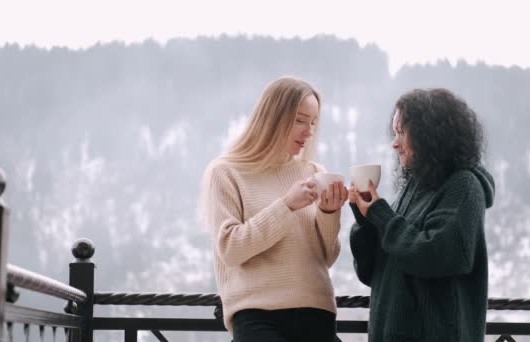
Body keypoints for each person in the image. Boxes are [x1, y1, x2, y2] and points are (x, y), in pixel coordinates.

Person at [201, 76, 347, 342]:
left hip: (317, 314)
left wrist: (329, 213)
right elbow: (231, 249)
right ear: (273, 116)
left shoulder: (315, 173)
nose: (309, 130)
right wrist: (286, 205)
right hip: (257, 316)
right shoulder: (226, 173)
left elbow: (326, 257)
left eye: (313, 122)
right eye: (300, 120)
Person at [348, 88, 495, 342]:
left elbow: (438, 255)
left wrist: (381, 216)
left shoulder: (464, 186)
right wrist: (366, 220)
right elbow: (375, 271)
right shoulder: (414, 187)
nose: (394, 143)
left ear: (430, 133)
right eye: (394, 133)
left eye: (401, 132)